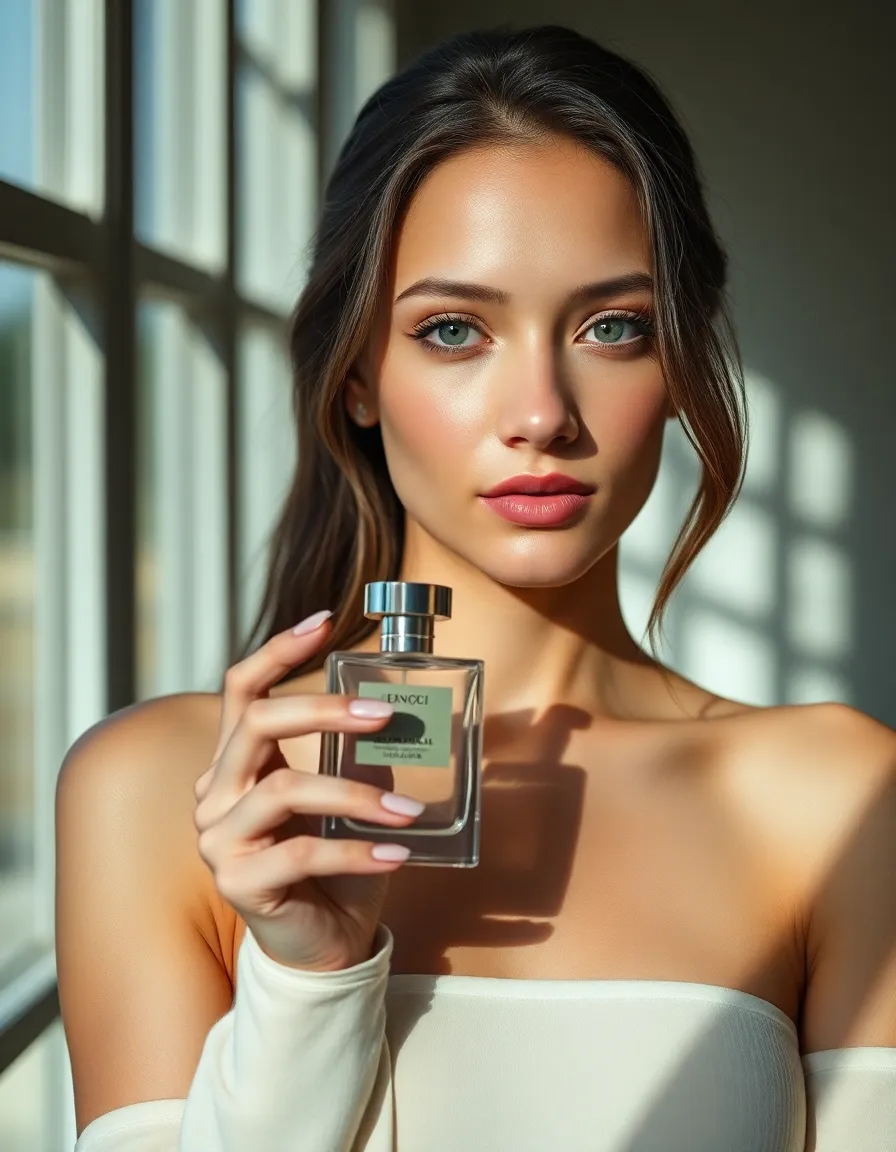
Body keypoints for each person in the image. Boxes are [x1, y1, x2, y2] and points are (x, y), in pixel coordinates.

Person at [57, 23, 895, 1152]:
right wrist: (310, 983)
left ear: (685, 361)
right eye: (454, 330)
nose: (541, 413)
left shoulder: (832, 796)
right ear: (358, 374)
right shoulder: (162, 793)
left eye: (613, 328)